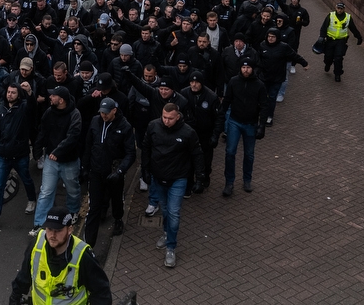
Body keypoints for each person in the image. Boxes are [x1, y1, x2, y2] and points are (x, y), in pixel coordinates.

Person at [141, 103, 205, 268]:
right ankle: (166, 233)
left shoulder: (188, 133)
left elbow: (197, 154)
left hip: (178, 178)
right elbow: (146, 148)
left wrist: (200, 178)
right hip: (158, 178)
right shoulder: (153, 126)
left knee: (174, 213)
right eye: (164, 117)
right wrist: (145, 170)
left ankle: (171, 247)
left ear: (178, 117)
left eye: (170, 118)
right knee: (165, 210)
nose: (166, 121)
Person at [9, 206, 113, 305]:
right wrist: (14, 298)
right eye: (49, 229)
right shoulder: (36, 245)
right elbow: (23, 277)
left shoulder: (83, 255)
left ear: (69, 230)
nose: (52, 235)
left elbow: (102, 293)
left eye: (58, 231)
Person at [0, 81, 37, 233]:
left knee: (26, 179)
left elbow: (33, 107)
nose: (10, 95)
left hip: (20, 155)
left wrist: (30, 93)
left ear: (18, 94)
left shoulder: (24, 107)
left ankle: (32, 200)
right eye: (8, 92)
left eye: (13, 92)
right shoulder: (0, 108)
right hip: (3, 155)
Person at [81, 97, 135, 247]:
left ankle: (118, 218)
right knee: (94, 208)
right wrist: (85, 167)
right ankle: (89, 245)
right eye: (101, 112)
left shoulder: (124, 126)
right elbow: (88, 145)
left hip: (114, 172)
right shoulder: (95, 122)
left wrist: (119, 171)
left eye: (106, 113)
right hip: (96, 171)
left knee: (117, 199)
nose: (103, 115)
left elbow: (131, 153)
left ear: (114, 111)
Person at [30, 86, 82, 237]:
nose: (50, 98)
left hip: (69, 160)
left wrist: (57, 152)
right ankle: (40, 223)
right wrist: (37, 150)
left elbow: (73, 136)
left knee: (72, 190)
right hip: (51, 159)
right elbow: (43, 132)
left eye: (53, 96)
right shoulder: (49, 112)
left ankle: (72, 211)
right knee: (46, 191)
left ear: (61, 99)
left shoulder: (74, 114)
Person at [214, 60, 267, 198]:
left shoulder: (259, 85)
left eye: (248, 67)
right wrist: (220, 117)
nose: (245, 70)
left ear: (252, 69)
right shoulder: (233, 82)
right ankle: (229, 182)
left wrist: (262, 126)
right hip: (235, 122)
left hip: (251, 124)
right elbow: (227, 101)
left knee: (249, 154)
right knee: (230, 152)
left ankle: (247, 180)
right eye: (243, 67)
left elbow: (264, 106)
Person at [318, 2, 363, 82]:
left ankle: (337, 74)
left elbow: (353, 28)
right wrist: (322, 37)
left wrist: (358, 37)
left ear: (344, 9)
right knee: (328, 56)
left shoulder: (348, 17)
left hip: (341, 41)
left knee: (338, 58)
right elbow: (324, 27)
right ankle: (327, 64)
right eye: (338, 8)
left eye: (341, 9)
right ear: (336, 8)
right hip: (330, 40)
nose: (339, 10)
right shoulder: (330, 16)